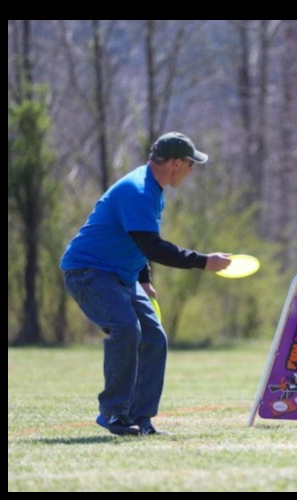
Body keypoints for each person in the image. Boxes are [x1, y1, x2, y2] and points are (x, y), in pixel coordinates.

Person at [60, 132, 232, 436]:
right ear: (177, 163)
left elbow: (136, 241)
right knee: (126, 328)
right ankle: (114, 414)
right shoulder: (138, 190)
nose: (192, 171)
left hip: (122, 276)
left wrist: (143, 278)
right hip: (88, 271)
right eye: (192, 164)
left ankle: (140, 419)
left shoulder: (154, 189)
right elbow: (152, 246)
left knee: (154, 338)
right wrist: (204, 261)